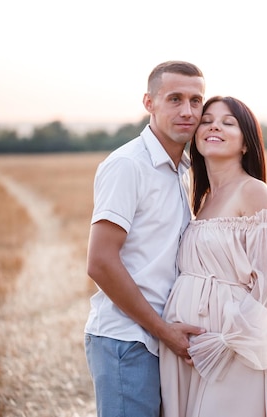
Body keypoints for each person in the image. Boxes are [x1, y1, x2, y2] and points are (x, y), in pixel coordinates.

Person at [160, 96, 267, 417]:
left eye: (228, 122)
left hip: (232, 347)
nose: (214, 125)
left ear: (245, 144)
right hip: (192, 348)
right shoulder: (202, 199)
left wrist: (228, 341)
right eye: (207, 120)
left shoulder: (253, 191)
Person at [84, 60, 206, 417]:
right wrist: (163, 331)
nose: (188, 111)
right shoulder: (128, 165)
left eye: (196, 101)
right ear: (149, 103)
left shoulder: (183, 170)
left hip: (160, 341)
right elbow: (100, 263)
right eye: (175, 99)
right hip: (128, 340)